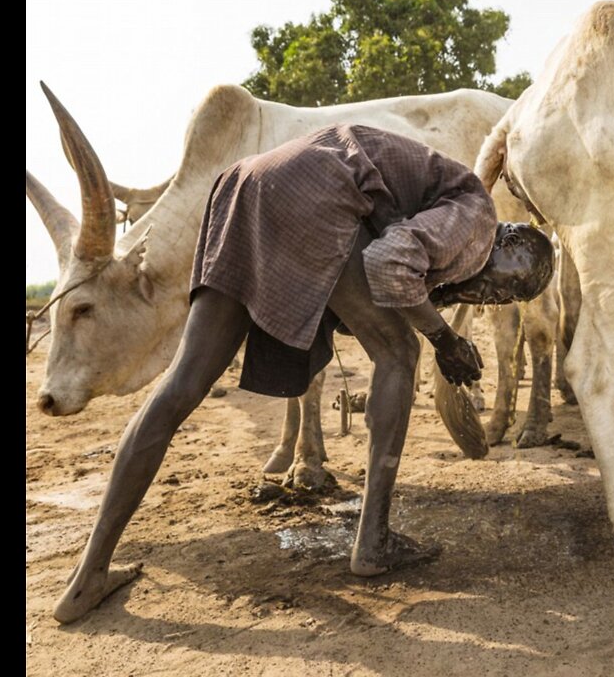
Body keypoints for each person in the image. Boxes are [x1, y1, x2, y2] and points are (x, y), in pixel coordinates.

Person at [52, 123, 555, 623]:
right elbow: (387, 260)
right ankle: (374, 542)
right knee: (399, 353)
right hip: (315, 188)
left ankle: (87, 578)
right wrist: (444, 340)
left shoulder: (445, 214)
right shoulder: (476, 214)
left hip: (245, 186)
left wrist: (433, 321)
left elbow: (377, 271)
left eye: (503, 301)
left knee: (184, 382)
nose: (489, 300)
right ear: (504, 244)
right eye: (500, 290)